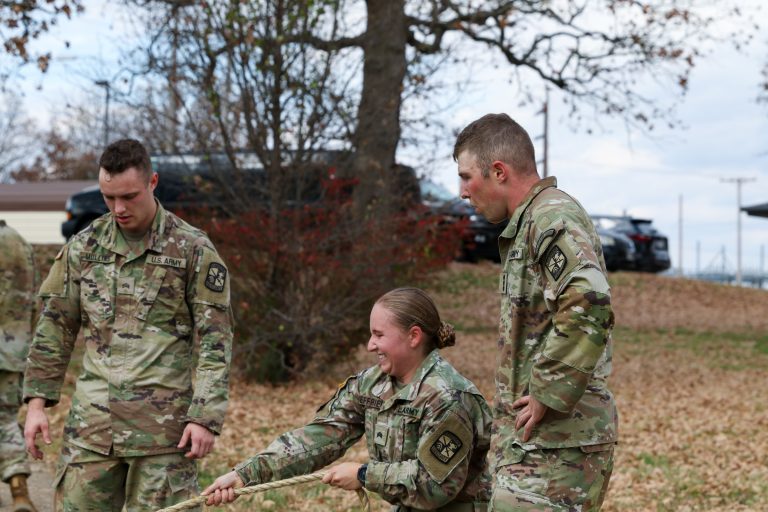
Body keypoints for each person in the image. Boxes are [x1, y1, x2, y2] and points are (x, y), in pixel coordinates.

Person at [22, 139, 234, 511]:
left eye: (129, 196)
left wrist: (205, 418)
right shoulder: (85, 248)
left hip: (163, 438)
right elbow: (55, 327)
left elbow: (215, 342)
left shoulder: (192, 250)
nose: (118, 208)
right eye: (108, 198)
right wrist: (37, 404)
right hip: (92, 431)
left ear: (153, 182)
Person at [453, 113, 618, 511]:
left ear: (498, 171)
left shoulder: (550, 217)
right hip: (536, 442)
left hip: (558, 443)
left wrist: (547, 390)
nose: (461, 191)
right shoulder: (529, 222)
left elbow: (588, 300)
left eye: (466, 176)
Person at [202, 287, 493, 512]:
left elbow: (436, 485)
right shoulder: (372, 384)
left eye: (379, 335)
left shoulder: (449, 398)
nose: (370, 345)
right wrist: (245, 475)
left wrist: (365, 474)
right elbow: (318, 438)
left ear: (414, 336)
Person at [0, 220, 38, 512]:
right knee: (5, 419)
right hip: (13, 348)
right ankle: (19, 489)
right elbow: (34, 302)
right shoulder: (21, 243)